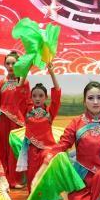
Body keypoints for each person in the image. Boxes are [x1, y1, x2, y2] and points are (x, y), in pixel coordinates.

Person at [0, 51, 30, 189]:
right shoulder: (1, 83)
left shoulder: (24, 82)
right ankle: (3, 178)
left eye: (13, 63)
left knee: (14, 150)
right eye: (8, 63)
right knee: (2, 149)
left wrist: (30, 118)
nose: (11, 66)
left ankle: (15, 180)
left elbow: (27, 102)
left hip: (17, 122)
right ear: (4, 65)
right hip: (3, 120)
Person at [17, 63, 61, 192]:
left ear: (46, 97)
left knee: (45, 171)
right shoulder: (26, 112)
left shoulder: (49, 113)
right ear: (31, 97)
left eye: (41, 96)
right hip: (31, 149)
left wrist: (52, 73)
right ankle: (33, 196)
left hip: (47, 148)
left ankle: (47, 194)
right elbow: (18, 93)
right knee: (32, 178)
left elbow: (57, 96)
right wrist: (25, 72)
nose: (37, 98)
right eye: (34, 96)